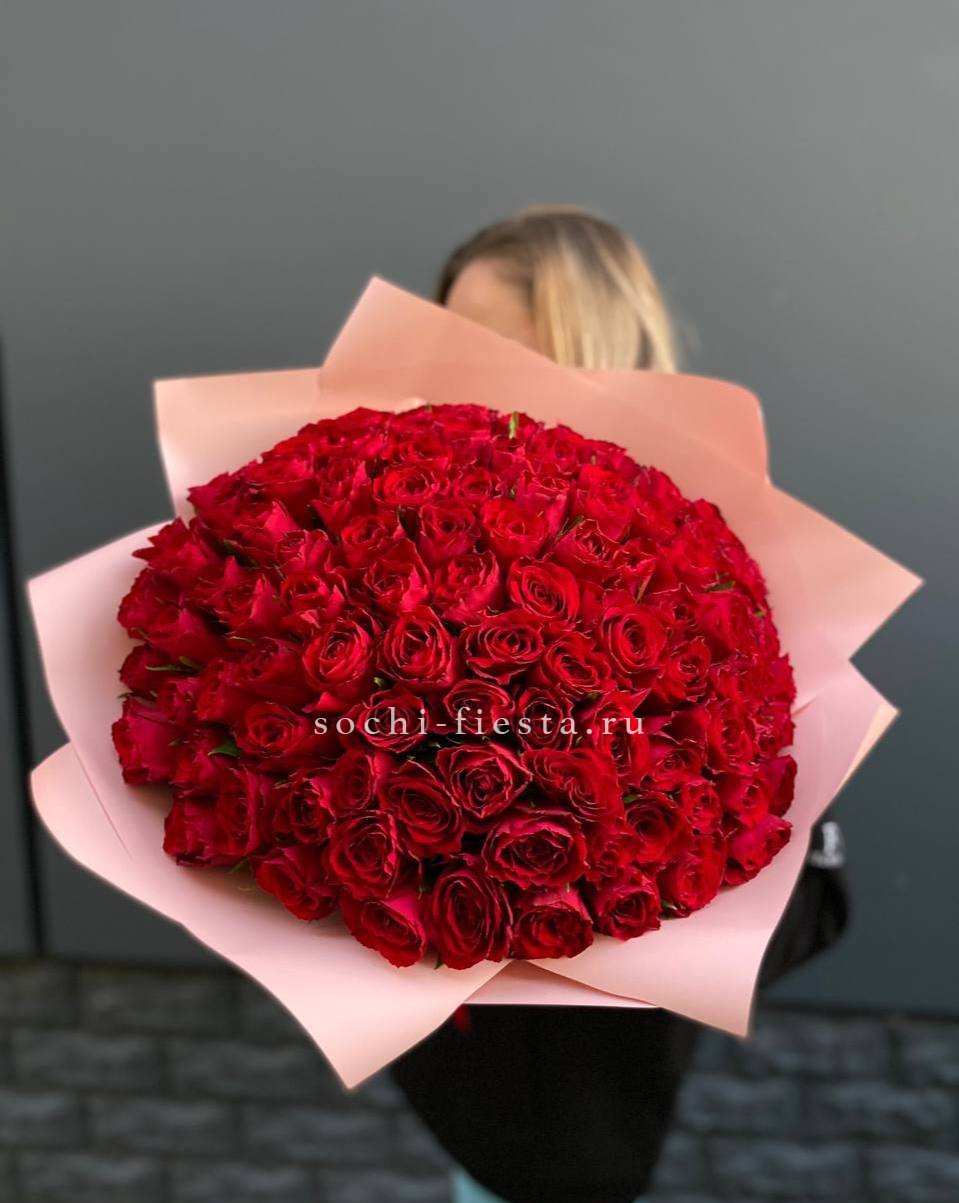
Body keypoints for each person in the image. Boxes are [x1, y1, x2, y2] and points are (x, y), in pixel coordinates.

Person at [390, 205, 849, 1203]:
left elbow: (799, 876)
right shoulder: (401, 537)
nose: (464, 382)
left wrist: (642, 872)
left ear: (591, 356)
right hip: (451, 1029)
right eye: (446, 343)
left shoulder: (714, 558)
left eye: (501, 354)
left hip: (597, 1059)